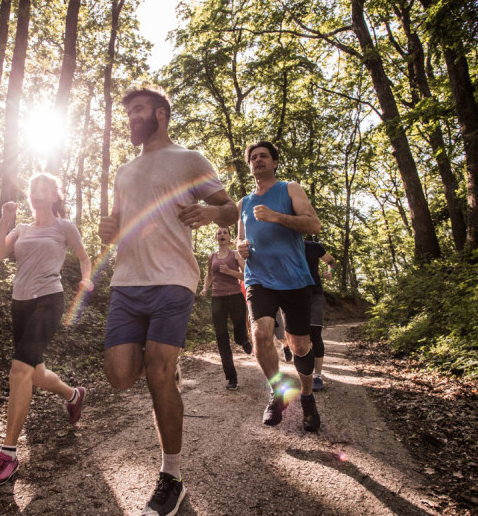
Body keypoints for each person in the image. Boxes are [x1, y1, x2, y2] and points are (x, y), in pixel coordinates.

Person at [99, 86, 237, 516]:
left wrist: (212, 214)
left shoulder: (190, 159)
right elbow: (120, 225)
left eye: (137, 110)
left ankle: (171, 477)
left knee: (158, 373)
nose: (131, 118)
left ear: (159, 113)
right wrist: (109, 230)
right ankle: (167, 374)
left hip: (173, 280)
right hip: (127, 283)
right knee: (121, 376)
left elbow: (230, 207)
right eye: (127, 112)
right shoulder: (123, 171)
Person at [0, 173, 94, 489]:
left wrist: (86, 280)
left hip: (49, 299)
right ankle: (74, 395)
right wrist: (5, 219)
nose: (37, 192)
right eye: (33, 188)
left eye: (44, 188)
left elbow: (84, 258)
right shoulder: (22, 229)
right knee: (35, 373)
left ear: (55, 195)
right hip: (20, 304)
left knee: (19, 370)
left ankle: (8, 454)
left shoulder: (64, 227)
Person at [236, 140, 322, 432]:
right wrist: (242, 249)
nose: (258, 160)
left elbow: (313, 225)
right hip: (259, 277)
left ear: (274, 162)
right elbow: (240, 242)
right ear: (249, 166)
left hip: (294, 277)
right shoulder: (244, 203)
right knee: (260, 333)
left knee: (300, 346)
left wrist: (276, 217)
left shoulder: (289, 189)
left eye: (264, 156)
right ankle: (278, 392)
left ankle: (308, 397)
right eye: (254, 158)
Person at [200, 226, 253, 390]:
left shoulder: (235, 255)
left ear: (230, 237)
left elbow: (247, 275)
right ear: (216, 237)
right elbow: (209, 274)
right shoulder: (212, 256)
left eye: (225, 233)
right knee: (221, 338)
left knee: (238, 333)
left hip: (235, 297)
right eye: (219, 233)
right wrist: (205, 288)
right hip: (217, 299)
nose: (222, 235)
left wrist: (230, 272)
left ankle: (243, 340)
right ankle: (232, 378)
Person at [304, 239, 337, 391]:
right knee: (300, 337)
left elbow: (331, 261)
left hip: (315, 294)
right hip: (293, 296)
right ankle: (304, 372)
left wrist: (330, 272)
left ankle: (317, 376)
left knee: (315, 333)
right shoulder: (284, 245)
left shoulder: (314, 246)